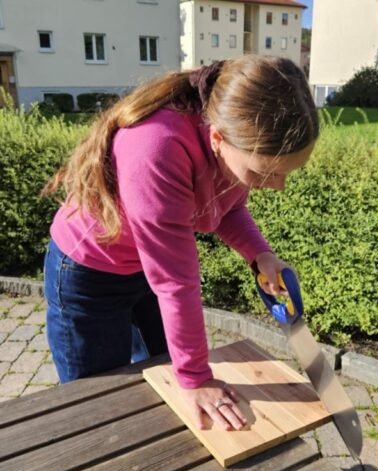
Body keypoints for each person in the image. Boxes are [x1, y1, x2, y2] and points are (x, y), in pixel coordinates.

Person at [42, 55, 318, 432]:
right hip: (87, 272)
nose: (276, 186)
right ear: (218, 139)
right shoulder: (156, 147)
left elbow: (228, 208)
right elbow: (176, 284)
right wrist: (198, 379)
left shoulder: (228, 139)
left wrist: (261, 254)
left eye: (286, 174)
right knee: (96, 406)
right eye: (263, 173)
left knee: (163, 385)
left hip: (143, 265)